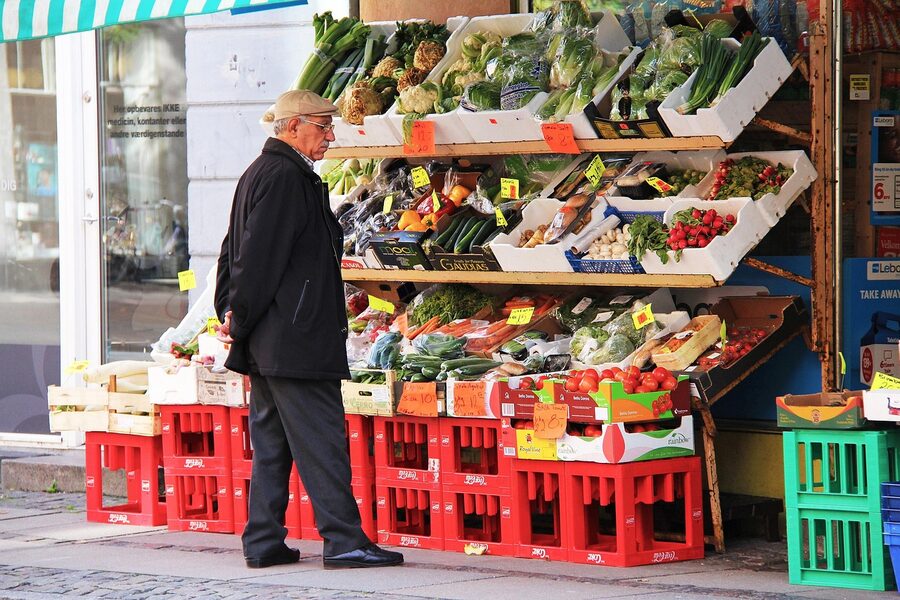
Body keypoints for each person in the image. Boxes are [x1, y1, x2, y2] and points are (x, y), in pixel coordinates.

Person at [213, 89, 403, 571]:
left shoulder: (264, 173)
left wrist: (233, 314)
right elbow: (254, 259)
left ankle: (263, 540)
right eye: (322, 125)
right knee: (321, 441)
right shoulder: (284, 178)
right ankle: (344, 540)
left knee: (272, 445)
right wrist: (239, 315)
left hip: (274, 338)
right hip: (293, 338)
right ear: (293, 126)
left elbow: (230, 248)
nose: (330, 135)